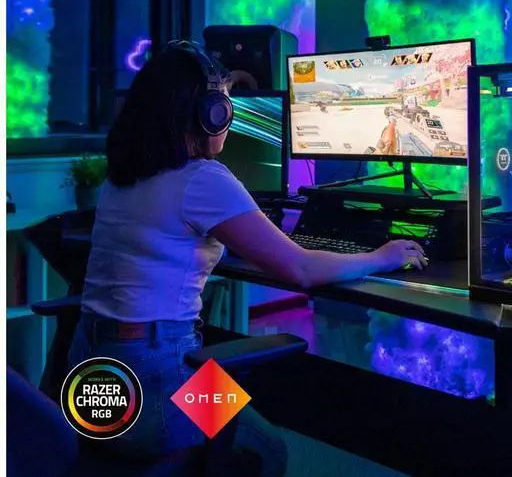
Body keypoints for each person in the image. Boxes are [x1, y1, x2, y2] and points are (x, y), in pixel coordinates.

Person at [68, 41, 428, 474]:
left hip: (90, 378)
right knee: (266, 449)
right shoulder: (202, 179)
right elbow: (302, 269)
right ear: (207, 114)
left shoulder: (122, 177)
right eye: (223, 106)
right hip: (156, 383)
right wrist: (381, 256)